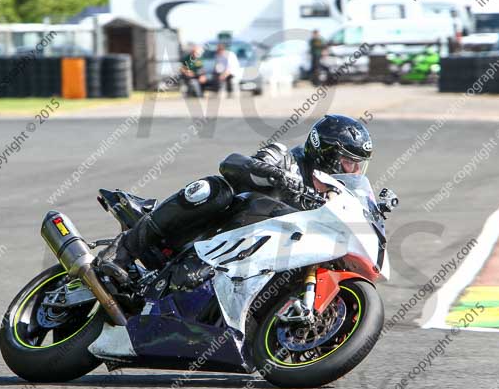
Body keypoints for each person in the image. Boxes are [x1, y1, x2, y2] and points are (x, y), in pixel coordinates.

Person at [99, 115, 378, 280]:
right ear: (326, 152)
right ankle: (124, 250)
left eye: (358, 165)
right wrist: (276, 175)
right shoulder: (286, 158)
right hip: (217, 233)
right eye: (348, 162)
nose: (353, 170)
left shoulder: (333, 196)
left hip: (258, 260)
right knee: (214, 189)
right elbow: (232, 164)